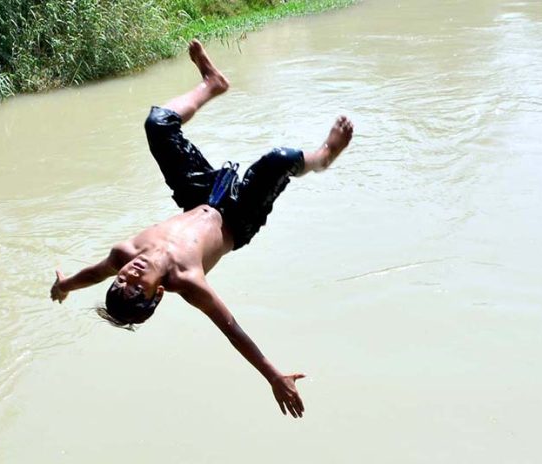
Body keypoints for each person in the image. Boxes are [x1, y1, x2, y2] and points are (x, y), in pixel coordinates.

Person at [51, 40, 353, 418]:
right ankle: (325, 155)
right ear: (157, 293)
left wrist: (64, 285)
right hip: (239, 217)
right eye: (137, 287)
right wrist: (273, 376)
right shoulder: (188, 281)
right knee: (281, 159)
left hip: (200, 196)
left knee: (158, 124)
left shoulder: (122, 255)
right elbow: (232, 330)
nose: (130, 276)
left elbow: (94, 273)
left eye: (122, 282)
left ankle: (212, 83)